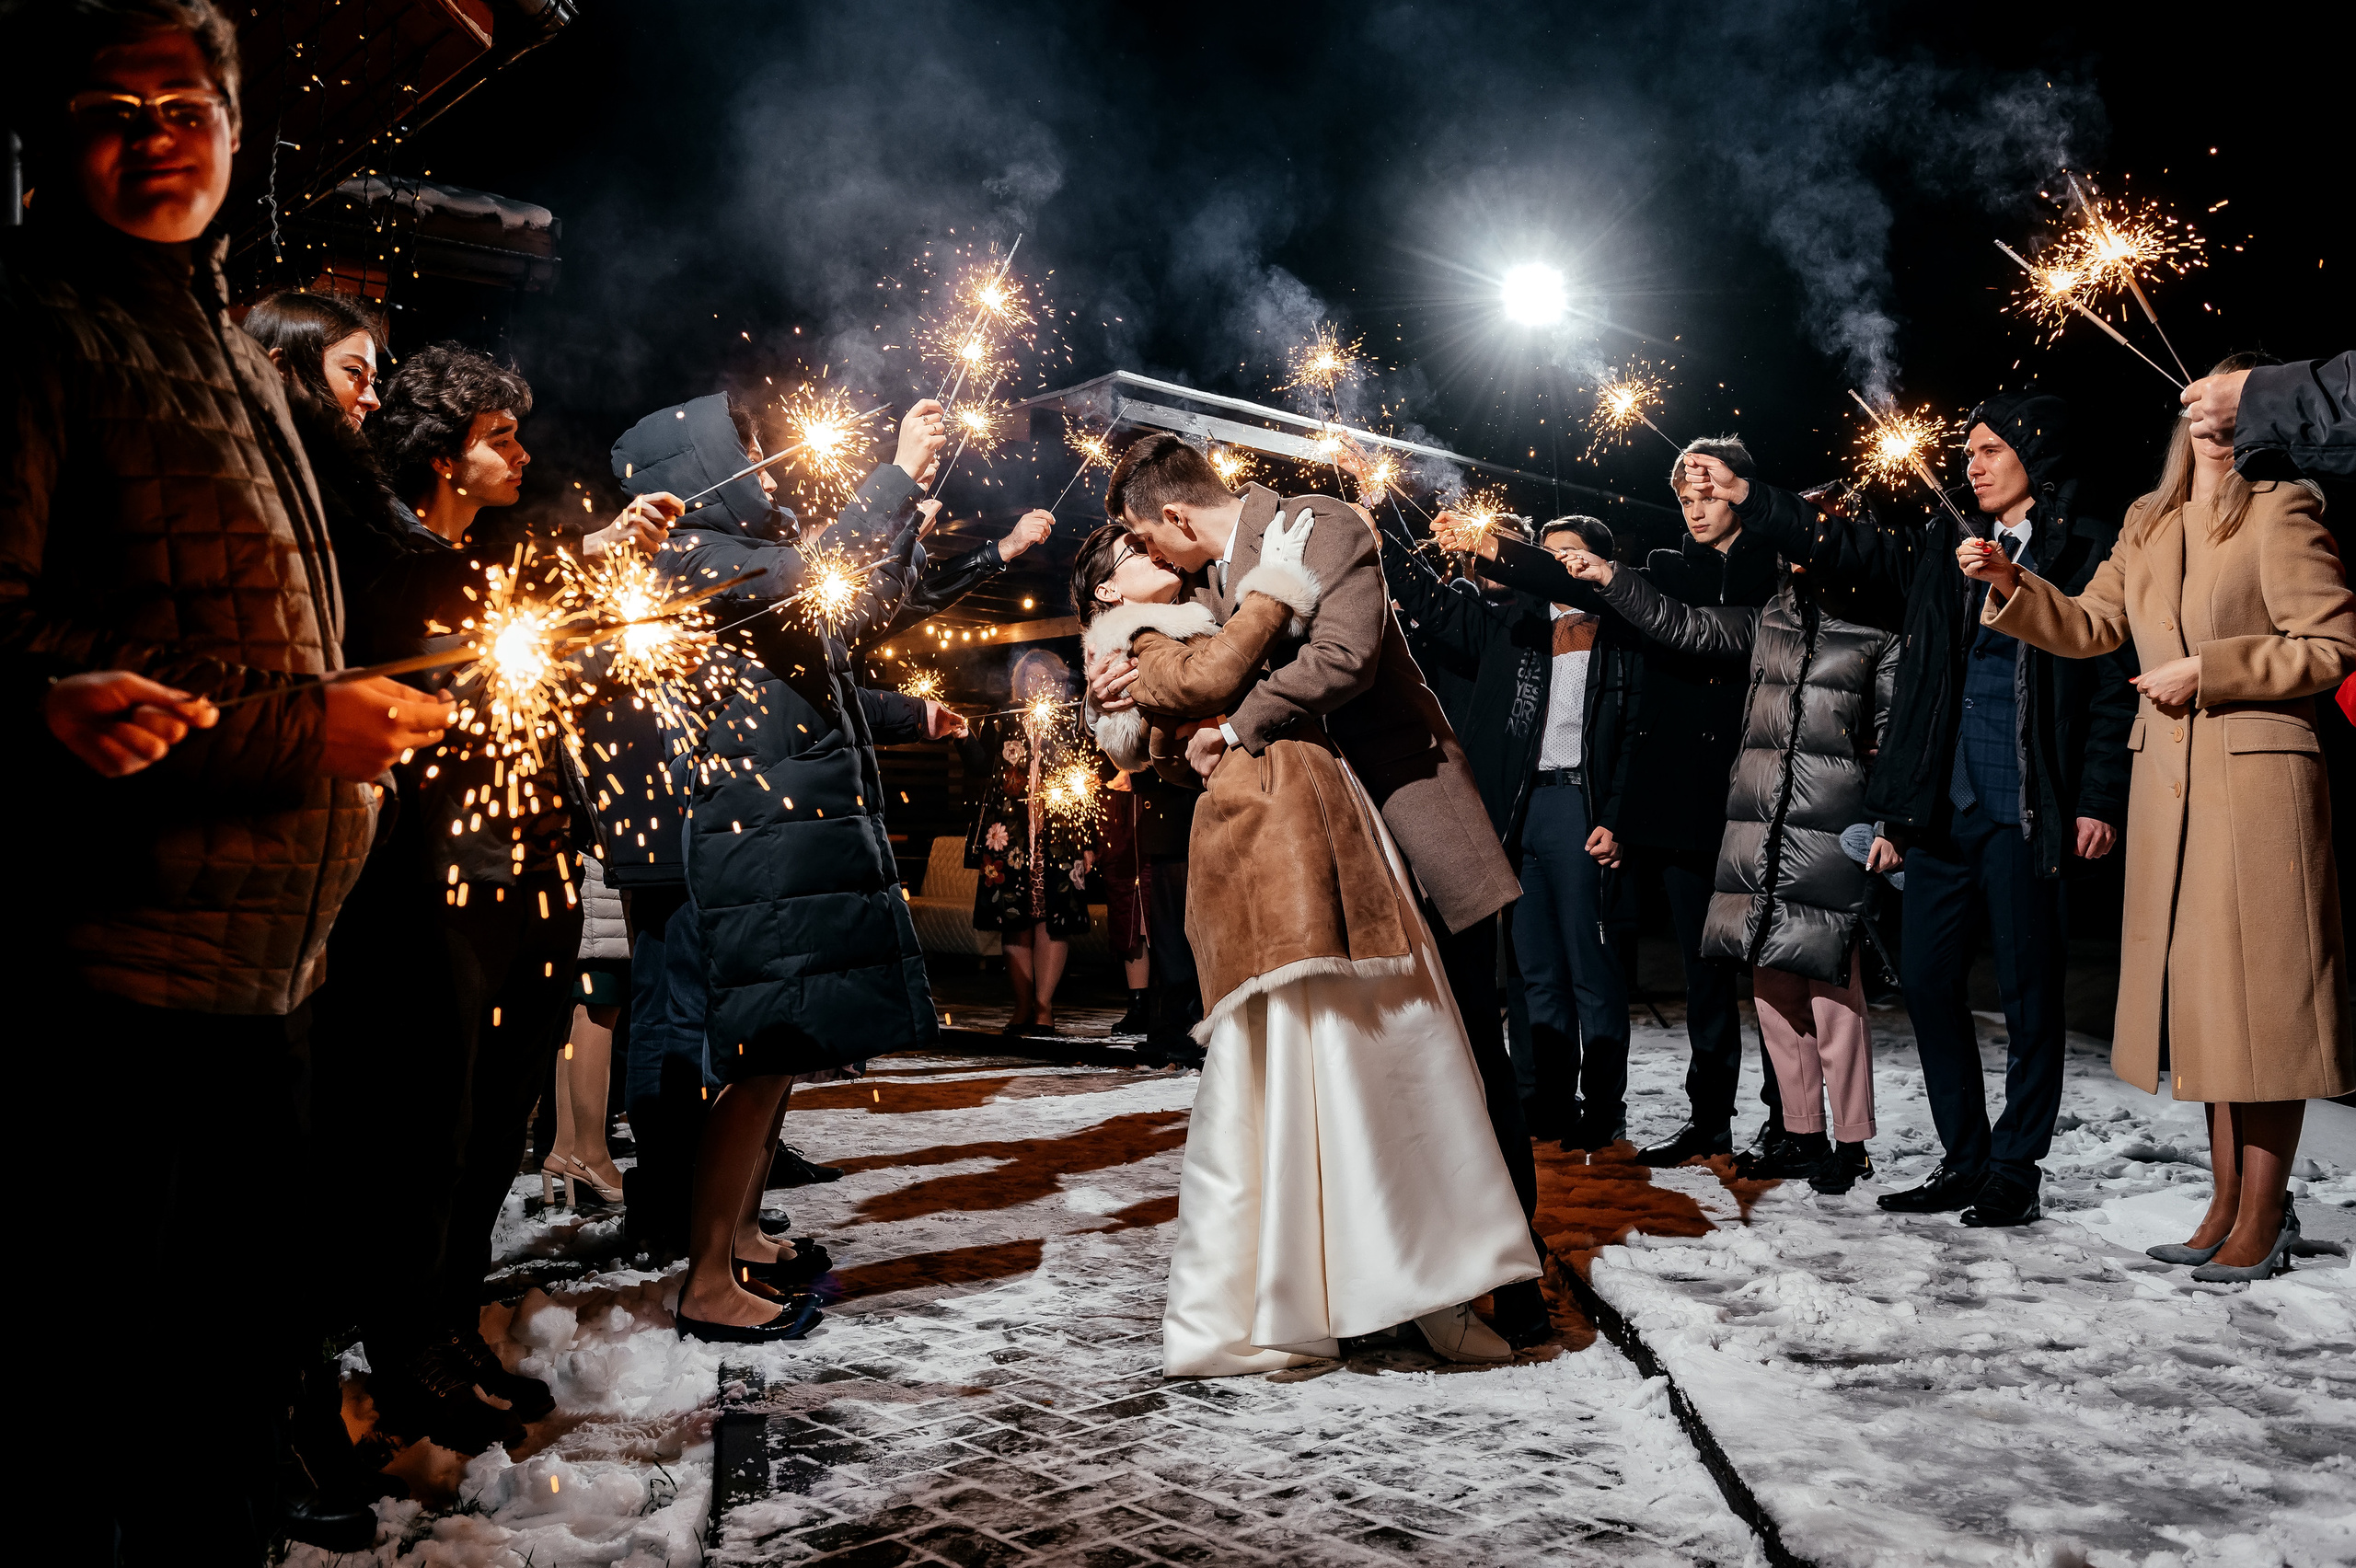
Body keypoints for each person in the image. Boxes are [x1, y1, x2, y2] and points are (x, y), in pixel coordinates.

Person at [0, 1, 446, 1555]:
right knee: (101, 1420)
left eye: (182, 105)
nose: (152, 139)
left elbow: (299, 607)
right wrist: (289, 730)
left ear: (236, 131)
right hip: (108, 984)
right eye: (110, 108)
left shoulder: (224, 347)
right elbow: (14, 628)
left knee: (229, 1402)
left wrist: (398, 678)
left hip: (267, 978)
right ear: (58, 138)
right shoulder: (33, 319)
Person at [1093, 432, 1547, 1346]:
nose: (1151, 559)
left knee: (1468, 1057)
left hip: (1407, 821)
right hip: (1321, 850)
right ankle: (1393, 1272)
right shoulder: (1207, 592)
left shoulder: (1318, 525)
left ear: (1177, 515)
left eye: (1149, 540)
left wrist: (1235, 724)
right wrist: (1125, 698)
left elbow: (1345, 657)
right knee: (1373, 1061)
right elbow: (1182, 697)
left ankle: (1514, 1274)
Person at [1702, 397, 2136, 1227]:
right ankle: (1965, 1157)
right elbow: (1848, 545)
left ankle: (2016, 1165)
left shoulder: (2089, 547)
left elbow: (2110, 684)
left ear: (2032, 456)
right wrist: (1756, 498)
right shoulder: (1943, 541)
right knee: (1931, 985)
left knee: (2028, 992)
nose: (1970, 465)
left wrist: (2097, 798)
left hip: (2027, 808)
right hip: (1941, 810)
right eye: (1965, 452)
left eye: (1987, 450)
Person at [1968, 353, 2356, 1281]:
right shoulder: (2147, 522)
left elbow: (2331, 645)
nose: (2213, 418)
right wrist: (2010, 586)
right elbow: (2092, 626)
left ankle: (2262, 1219)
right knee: (2209, 1013)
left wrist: (2210, 671)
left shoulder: (2282, 508)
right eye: (2202, 404)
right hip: (2170, 794)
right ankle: (2223, 1206)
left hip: (2257, 787)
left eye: (2232, 402)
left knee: (2264, 1016)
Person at [628, 392, 955, 1341]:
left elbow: (850, 615)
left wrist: (907, 509)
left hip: (788, 826)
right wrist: (889, 477)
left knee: (784, 1053)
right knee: (762, 1055)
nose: (769, 473)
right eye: (751, 458)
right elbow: (818, 573)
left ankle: (734, 1239)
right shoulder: (689, 556)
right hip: (758, 833)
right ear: (699, 474)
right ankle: (706, 1277)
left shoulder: (745, 554)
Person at [1556, 474, 1901, 1194]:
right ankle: (1801, 1135)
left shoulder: (1879, 627)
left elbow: (1895, 733)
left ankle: (1852, 1140)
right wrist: (1611, 576)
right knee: (1772, 984)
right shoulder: (1770, 615)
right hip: (1755, 820)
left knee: (1832, 986)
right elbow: (1691, 626)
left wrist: (1888, 821)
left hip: (1831, 822)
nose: (1802, 550)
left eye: (1820, 535)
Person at [1448, 441, 1781, 1165]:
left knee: (1761, 975)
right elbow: (1566, 585)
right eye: (1686, 499)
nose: (1695, 509)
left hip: (1745, 790)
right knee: (1688, 972)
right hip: (1648, 799)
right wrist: (1493, 550)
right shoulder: (1656, 572)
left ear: (1744, 495)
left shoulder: (1756, 574)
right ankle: (1697, 1118)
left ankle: (1787, 1123)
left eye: (1710, 495)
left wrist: (1614, 814)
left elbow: (1639, 702)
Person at [1380, 511, 1639, 1149]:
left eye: (1567, 554)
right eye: (1544, 553)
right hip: (1523, 812)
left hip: (1579, 809)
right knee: (1535, 969)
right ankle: (1548, 1101)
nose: (1554, 565)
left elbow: (1633, 734)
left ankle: (1603, 1105)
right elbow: (1433, 606)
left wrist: (1615, 815)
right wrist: (1379, 535)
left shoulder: (1620, 629)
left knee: (1590, 966)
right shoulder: (1514, 626)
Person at [963, 648, 1095, 1033]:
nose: (1039, 685)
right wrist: (960, 735)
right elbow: (977, 766)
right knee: (1013, 921)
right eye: (1030, 679)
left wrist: (1087, 841)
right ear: (1019, 684)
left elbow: (1083, 784)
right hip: (1008, 839)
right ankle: (1022, 1006)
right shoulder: (1003, 721)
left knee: (1054, 923)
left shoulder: (1072, 723)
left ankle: (1044, 1007)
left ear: (1058, 683)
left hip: (1059, 838)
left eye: (1047, 679)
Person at [547, 852, 629, 1207]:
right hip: (597, 884)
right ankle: (590, 1156)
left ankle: (564, 1151)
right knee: (599, 1005)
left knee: (579, 1010)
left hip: (578, 882)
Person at [2180, 350, 2354, 479]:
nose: (2211, 408)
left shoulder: (2287, 516)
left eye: (2224, 395)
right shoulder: (2155, 516)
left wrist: (2254, 401)